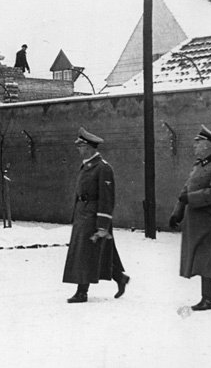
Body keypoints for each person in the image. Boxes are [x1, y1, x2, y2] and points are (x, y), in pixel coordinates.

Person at [169, 125, 211, 311]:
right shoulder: (199, 165)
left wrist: (191, 199)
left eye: (198, 143)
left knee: (206, 258)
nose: (195, 146)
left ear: (207, 145)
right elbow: (186, 189)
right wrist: (177, 212)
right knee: (205, 257)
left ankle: (207, 299)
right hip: (195, 218)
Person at [63, 128, 129, 303]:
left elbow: (107, 198)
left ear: (89, 147)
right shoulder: (87, 166)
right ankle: (120, 278)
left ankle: (81, 292)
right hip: (83, 213)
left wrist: (102, 225)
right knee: (98, 250)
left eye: (81, 146)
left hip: (92, 215)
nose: (79, 149)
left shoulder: (103, 168)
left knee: (84, 253)